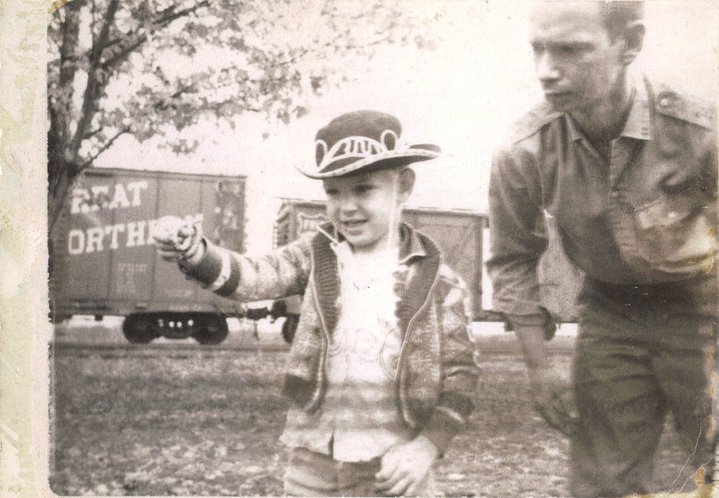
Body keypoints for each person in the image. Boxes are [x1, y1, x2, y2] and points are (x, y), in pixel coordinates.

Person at [152, 110, 480, 497]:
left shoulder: (438, 278)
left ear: (403, 186)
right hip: (312, 460)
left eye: (363, 189)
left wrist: (426, 448)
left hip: (394, 466)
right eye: (333, 192)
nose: (346, 207)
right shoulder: (317, 253)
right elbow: (254, 276)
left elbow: (462, 374)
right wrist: (194, 253)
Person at [486, 2, 717, 496]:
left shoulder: (701, 131)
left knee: (713, 464)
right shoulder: (524, 149)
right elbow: (511, 258)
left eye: (570, 50)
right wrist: (538, 367)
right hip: (610, 310)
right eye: (538, 50)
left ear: (629, 44)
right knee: (601, 482)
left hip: (703, 303)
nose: (546, 71)